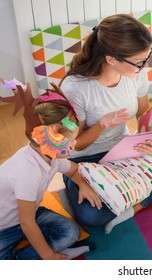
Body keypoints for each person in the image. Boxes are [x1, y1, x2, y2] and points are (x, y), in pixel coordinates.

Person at [60, 14, 152, 234]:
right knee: (91, 215)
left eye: (147, 58)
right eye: (139, 62)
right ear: (111, 59)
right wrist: (102, 125)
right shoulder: (75, 87)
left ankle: (136, 203)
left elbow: (142, 112)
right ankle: (150, 184)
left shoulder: (136, 74)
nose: (144, 66)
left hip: (125, 150)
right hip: (88, 161)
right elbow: (76, 145)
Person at [0, 81, 99, 260]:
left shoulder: (51, 156)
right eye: (71, 140)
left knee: (71, 232)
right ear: (53, 136)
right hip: (4, 228)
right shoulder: (28, 172)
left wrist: (83, 186)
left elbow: (73, 170)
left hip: (30, 215)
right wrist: (48, 255)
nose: (74, 144)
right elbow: (27, 223)